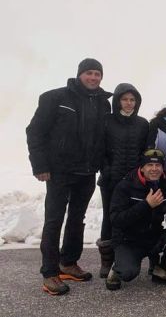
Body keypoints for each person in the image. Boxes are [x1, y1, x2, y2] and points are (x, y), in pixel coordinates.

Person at [26, 58, 111, 296]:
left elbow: (103, 138)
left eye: (97, 74)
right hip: (59, 170)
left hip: (87, 171)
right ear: (79, 74)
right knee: (54, 221)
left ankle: (68, 263)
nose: (93, 78)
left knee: (77, 218)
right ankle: (49, 273)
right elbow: (35, 132)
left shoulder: (104, 103)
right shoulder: (55, 98)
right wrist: (40, 165)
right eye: (89, 73)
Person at [105, 149, 166, 291]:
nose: (154, 169)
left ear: (163, 168)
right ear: (142, 168)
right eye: (150, 165)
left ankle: (162, 269)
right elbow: (116, 220)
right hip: (129, 240)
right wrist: (146, 205)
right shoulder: (126, 185)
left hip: (154, 236)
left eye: (158, 166)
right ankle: (117, 269)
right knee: (128, 273)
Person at [96, 83, 149, 279]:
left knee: (134, 216)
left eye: (132, 100)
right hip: (110, 180)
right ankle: (107, 260)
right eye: (125, 99)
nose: (129, 103)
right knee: (110, 219)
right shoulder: (106, 121)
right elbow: (99, 149)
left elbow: (145, 152)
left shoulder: (143, 124)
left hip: (134, 182)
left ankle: (126, 257)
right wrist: (108, 171)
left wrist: (140, 175)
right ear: (118, 100)